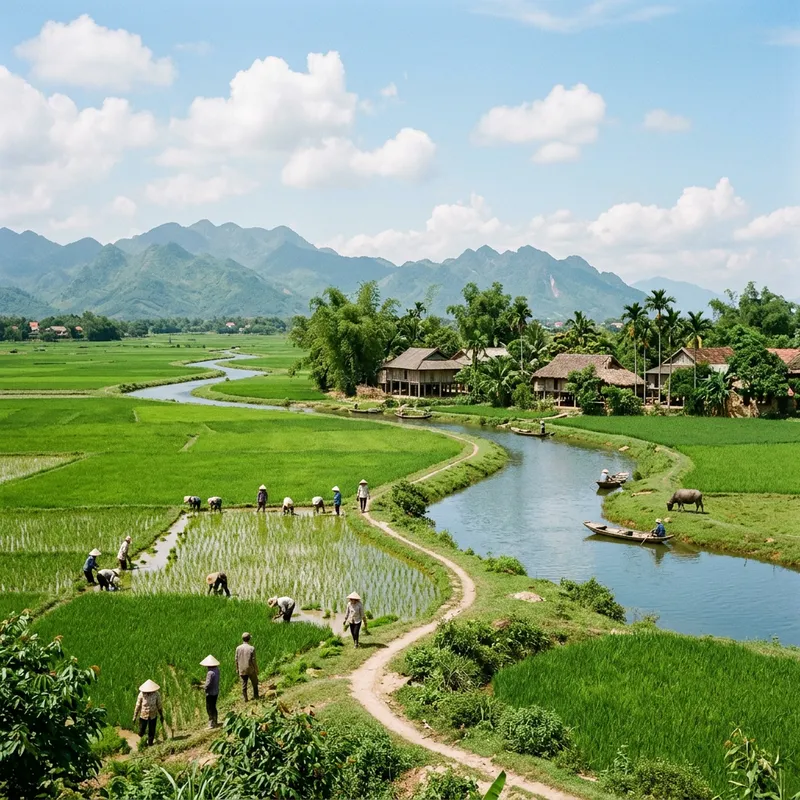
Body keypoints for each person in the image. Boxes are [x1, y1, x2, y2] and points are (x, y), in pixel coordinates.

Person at [133, 679, 164, 747]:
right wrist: (134, 716)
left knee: (151, 731)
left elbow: (159, 705)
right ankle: (141, 743)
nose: (148, 692)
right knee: (141, 731)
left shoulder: (156, 694)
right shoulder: (141, 694)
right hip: (143, 716)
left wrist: (161, 715)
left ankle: (150, 744)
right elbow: (137, 705)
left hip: (153, 715)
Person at [235, 633, 259, 701]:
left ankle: (245, 698)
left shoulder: (238, 648)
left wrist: (237, 668)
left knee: (244, 684)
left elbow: (236, 659)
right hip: (250, 668)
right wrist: (256, 669)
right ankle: (256, 696)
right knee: (255, 682)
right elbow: (253, 660)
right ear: (249, 639)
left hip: (242, 669)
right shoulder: (251, 648)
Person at [200, 655, 220, 728]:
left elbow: (208, 684)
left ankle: (211, 723)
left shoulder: (210, 673)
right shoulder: (217, 670)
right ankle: (215, 721)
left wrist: (202, 687)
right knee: (214, 706)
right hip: (216, 691)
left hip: (210, 692)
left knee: (209, 707)